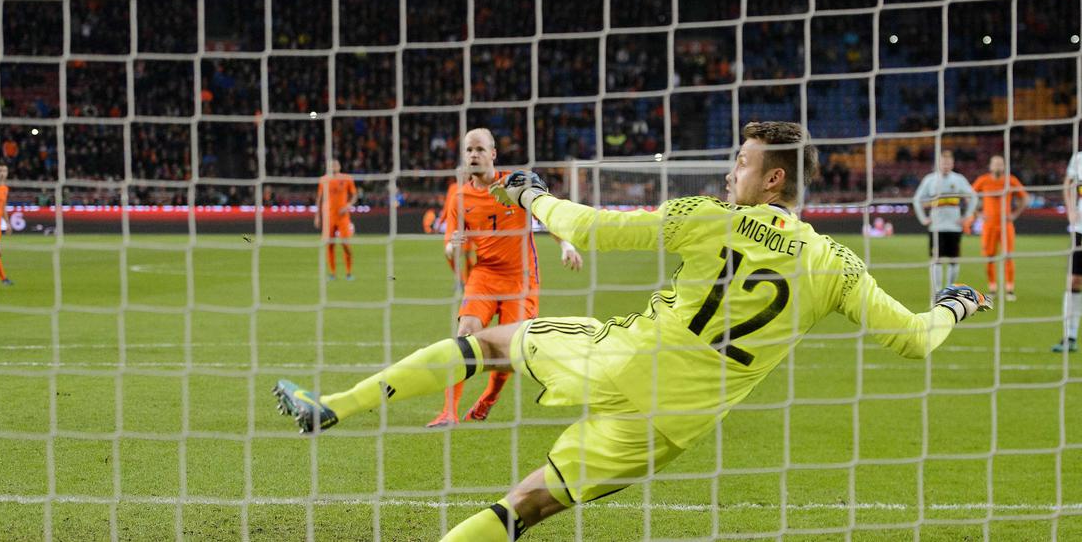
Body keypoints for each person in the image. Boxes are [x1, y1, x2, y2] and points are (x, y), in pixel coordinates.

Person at [274, 121, 990, 540]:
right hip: (672, 424)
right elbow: (915, 339)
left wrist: (529, 192)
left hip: (622, 356)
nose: (729, 169)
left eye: (740, 162)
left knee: (486, 344)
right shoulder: (835, 262)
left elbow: (584, 224)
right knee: (524, 507)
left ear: (772, 180)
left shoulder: (706, 215)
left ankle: (333, 407)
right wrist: (954, 304)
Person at [427, 128, 583, 428]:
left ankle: (488, 399)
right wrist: (452, 246)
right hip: (484, 275)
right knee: (464, 335)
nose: (474, 155)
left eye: (480, 149)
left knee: (508, 351)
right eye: (469, 150)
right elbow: (449, 247)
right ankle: (448, 411)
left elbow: (546, 214)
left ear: (493, 154)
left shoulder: (518, 183)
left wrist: (566, 244)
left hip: (521, 278)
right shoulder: (459, 197)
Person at [912, 149, 978, 294]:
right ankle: (937, 292)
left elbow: (974, 197)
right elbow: (916, 199)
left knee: (954, 260)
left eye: (948, 162)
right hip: (936, 227)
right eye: (943, 162)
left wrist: (966, 216)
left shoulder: (959, 179)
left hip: (954, 227)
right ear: (938, 163)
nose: (946, 165)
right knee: (937, 259)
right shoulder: (930, 179)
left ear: (953, 163)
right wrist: (923, 218)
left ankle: (949, 290)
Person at [968, 155, 1027, 301]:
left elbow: (1024, 197)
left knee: (1008, 256)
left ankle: (1009, 289)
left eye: (1000, 164)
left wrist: (1015, 214)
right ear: (990, 166)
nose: (998, 167)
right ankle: (992, 287)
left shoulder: (1010, 180)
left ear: (1004, 166)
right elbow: (969, 195)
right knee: (989, 257)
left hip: (1006, 225)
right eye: (995, 164)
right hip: (988, 226)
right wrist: (978, 213)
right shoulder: (983, 180)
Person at [315, 159, 357, 281]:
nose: (333, 167)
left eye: (335, 165)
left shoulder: (347, 178)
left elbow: (354, 195)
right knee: (330, 245)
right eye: (331, 165)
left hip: (343, 217)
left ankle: (349, 273)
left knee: (345, 244)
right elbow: (319, 198)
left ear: (339, 167)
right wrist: (317, 216)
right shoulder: (323, 180)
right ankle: (332, 273)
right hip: (329, 217)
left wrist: (348, 206)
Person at [1057, 149, 1082, 353]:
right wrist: (1071, 209)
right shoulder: (1078, 158)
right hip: (1081, 228)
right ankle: (1070, 335)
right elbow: (1068, 184)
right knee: (1074, 279)